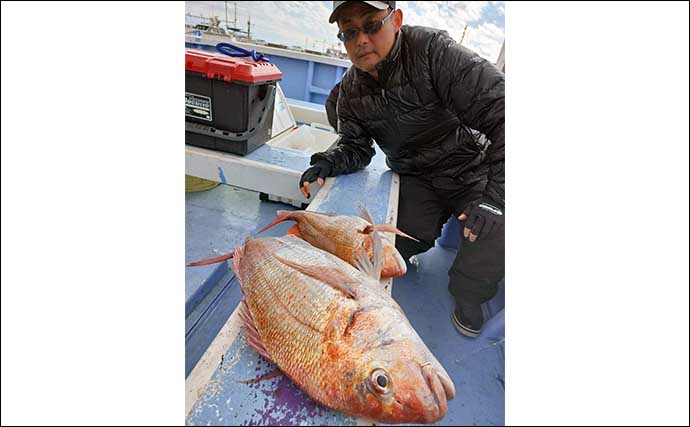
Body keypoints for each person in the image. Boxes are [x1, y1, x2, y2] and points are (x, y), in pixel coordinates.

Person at [299, 0, 504, 338]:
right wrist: (328, 161)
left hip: (471, 167)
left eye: (372, 25)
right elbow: (356, 146)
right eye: (349, 32)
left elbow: (503, 111)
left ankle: (469, 293)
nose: (361, 39)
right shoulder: (349, 91)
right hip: (415, 176)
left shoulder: (433, 52)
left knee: (495, 230)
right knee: (391, 248)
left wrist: (496, 197)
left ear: (396, 20)